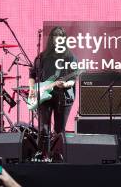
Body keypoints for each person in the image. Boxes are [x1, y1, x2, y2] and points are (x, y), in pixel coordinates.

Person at [28, 26, 76, 161]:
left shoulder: (69, 57)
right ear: (51, 39)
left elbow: (72, 80)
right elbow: (32, 74)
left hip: (64, 96)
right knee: (44, 127)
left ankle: (58, 156)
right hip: (44, 95)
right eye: (55, 36)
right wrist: (32, 89)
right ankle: (42, 155)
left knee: (59, 129)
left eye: (61, 36)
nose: (58, 39)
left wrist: (65, 84)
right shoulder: (41, 57)